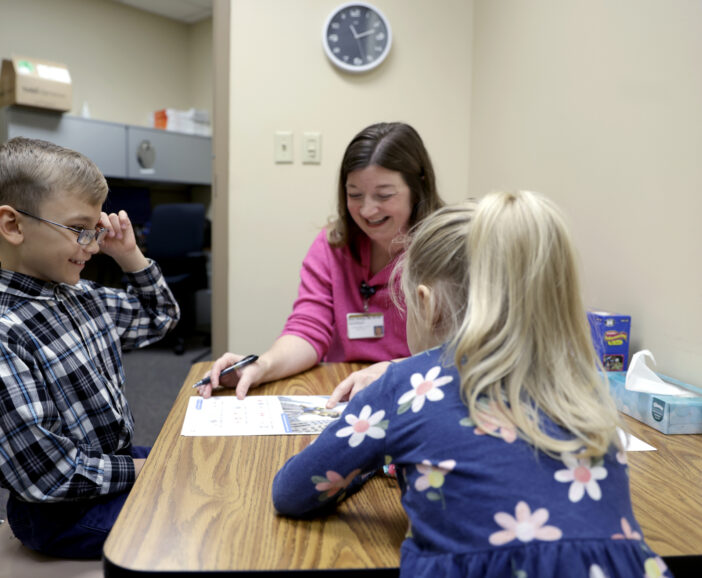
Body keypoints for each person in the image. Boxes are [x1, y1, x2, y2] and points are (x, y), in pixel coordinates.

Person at [272, 191, 670, 577]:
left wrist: (369, 461)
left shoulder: (405, 385)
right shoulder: (581, 387)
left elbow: (292, 492)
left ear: (425, 303)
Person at [0, 137, 179, 559]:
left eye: (96, 230)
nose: (93, 247)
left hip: (109, 468)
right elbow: (48, 476)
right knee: (196, 516)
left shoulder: (79, 295)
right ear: (13, 225)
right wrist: (145, 471)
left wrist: (130, 255)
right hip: (61, 513)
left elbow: (160, 319)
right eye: (80, 230)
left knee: (203, 463)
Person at [199, 122, 444, 402]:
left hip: (419, 391)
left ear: (419, 186)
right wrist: (263, 366)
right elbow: (308, 328)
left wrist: (393, 371)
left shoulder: (448, 248)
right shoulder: (332, 245)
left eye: (384, 195)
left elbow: (464, 349)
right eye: (354, 194)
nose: (366, 210)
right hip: (342, 391)